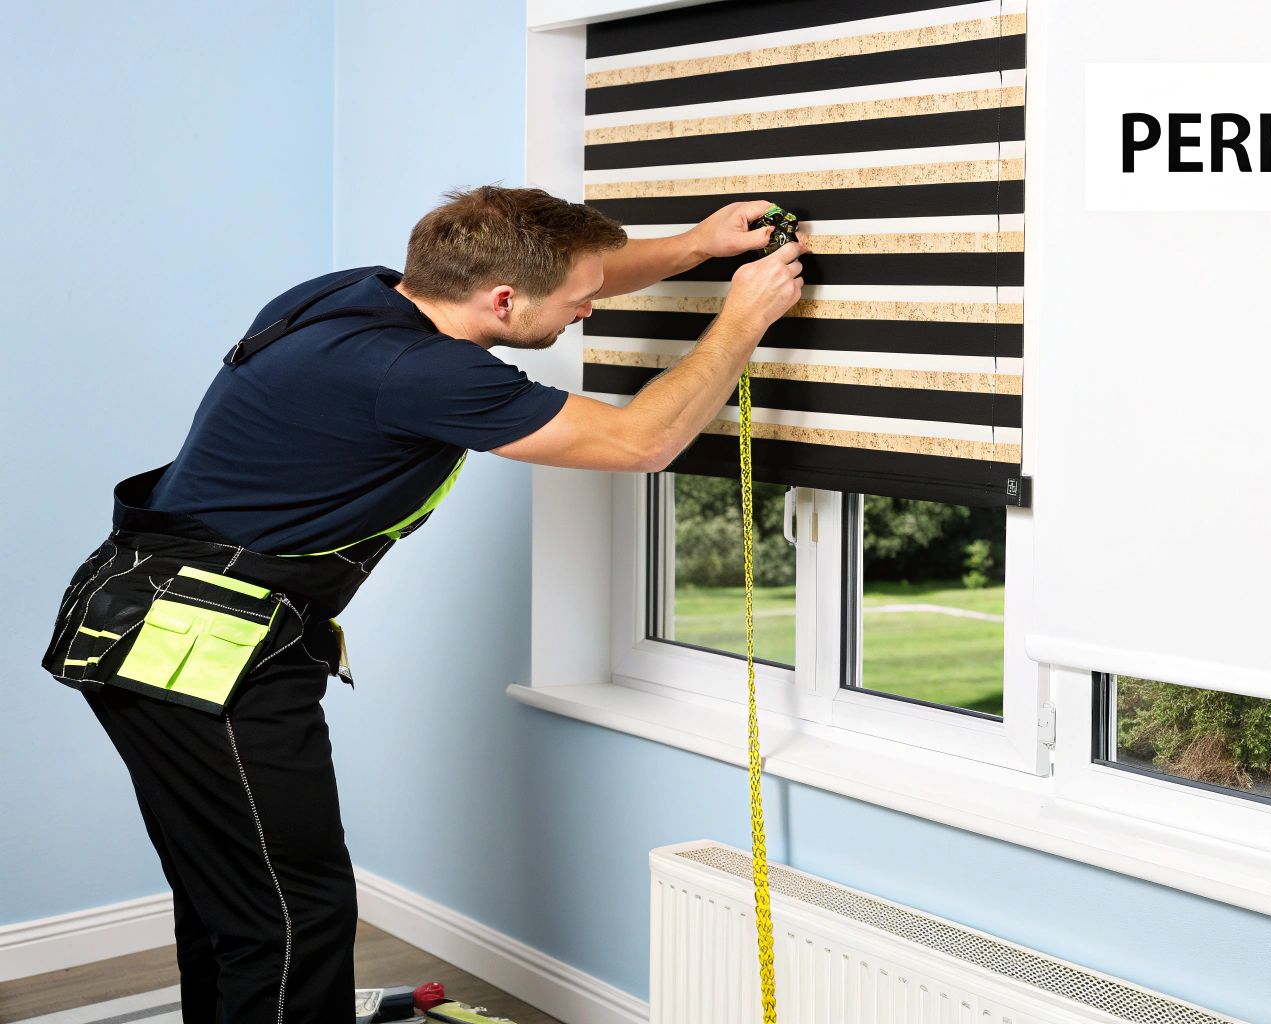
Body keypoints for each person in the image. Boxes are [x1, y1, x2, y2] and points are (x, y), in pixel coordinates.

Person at [40, 186, 808, 1024]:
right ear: (502, 299)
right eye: (580, 300)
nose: (591, 308)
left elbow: (558, 272)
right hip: (203, 650)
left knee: (234, 895)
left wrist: (694, 247)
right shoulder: (424, 373)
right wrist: (741, 322)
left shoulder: (351, 294)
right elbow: (642, 441)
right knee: (294, 913)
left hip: (135, 616)